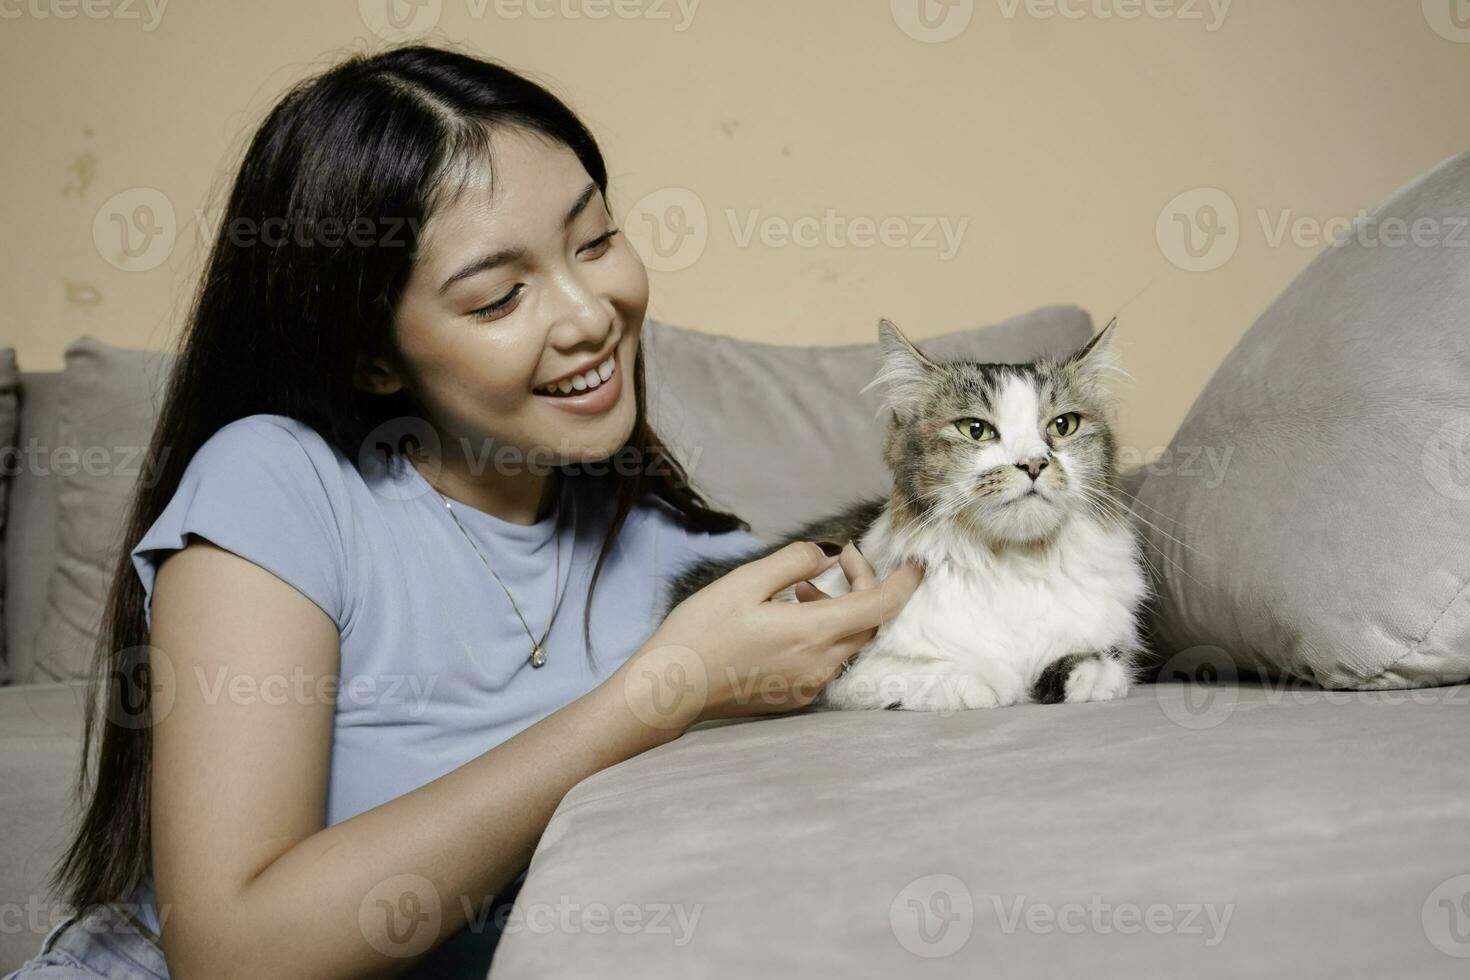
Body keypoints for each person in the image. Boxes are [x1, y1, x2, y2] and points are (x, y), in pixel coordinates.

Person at [4, 44, 923, 979]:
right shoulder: (278, 484)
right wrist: (666, 690)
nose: (588, 315)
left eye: (596, 240)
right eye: (498, 296)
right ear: (373, 356)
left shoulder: (694, 567)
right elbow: (233, 955)